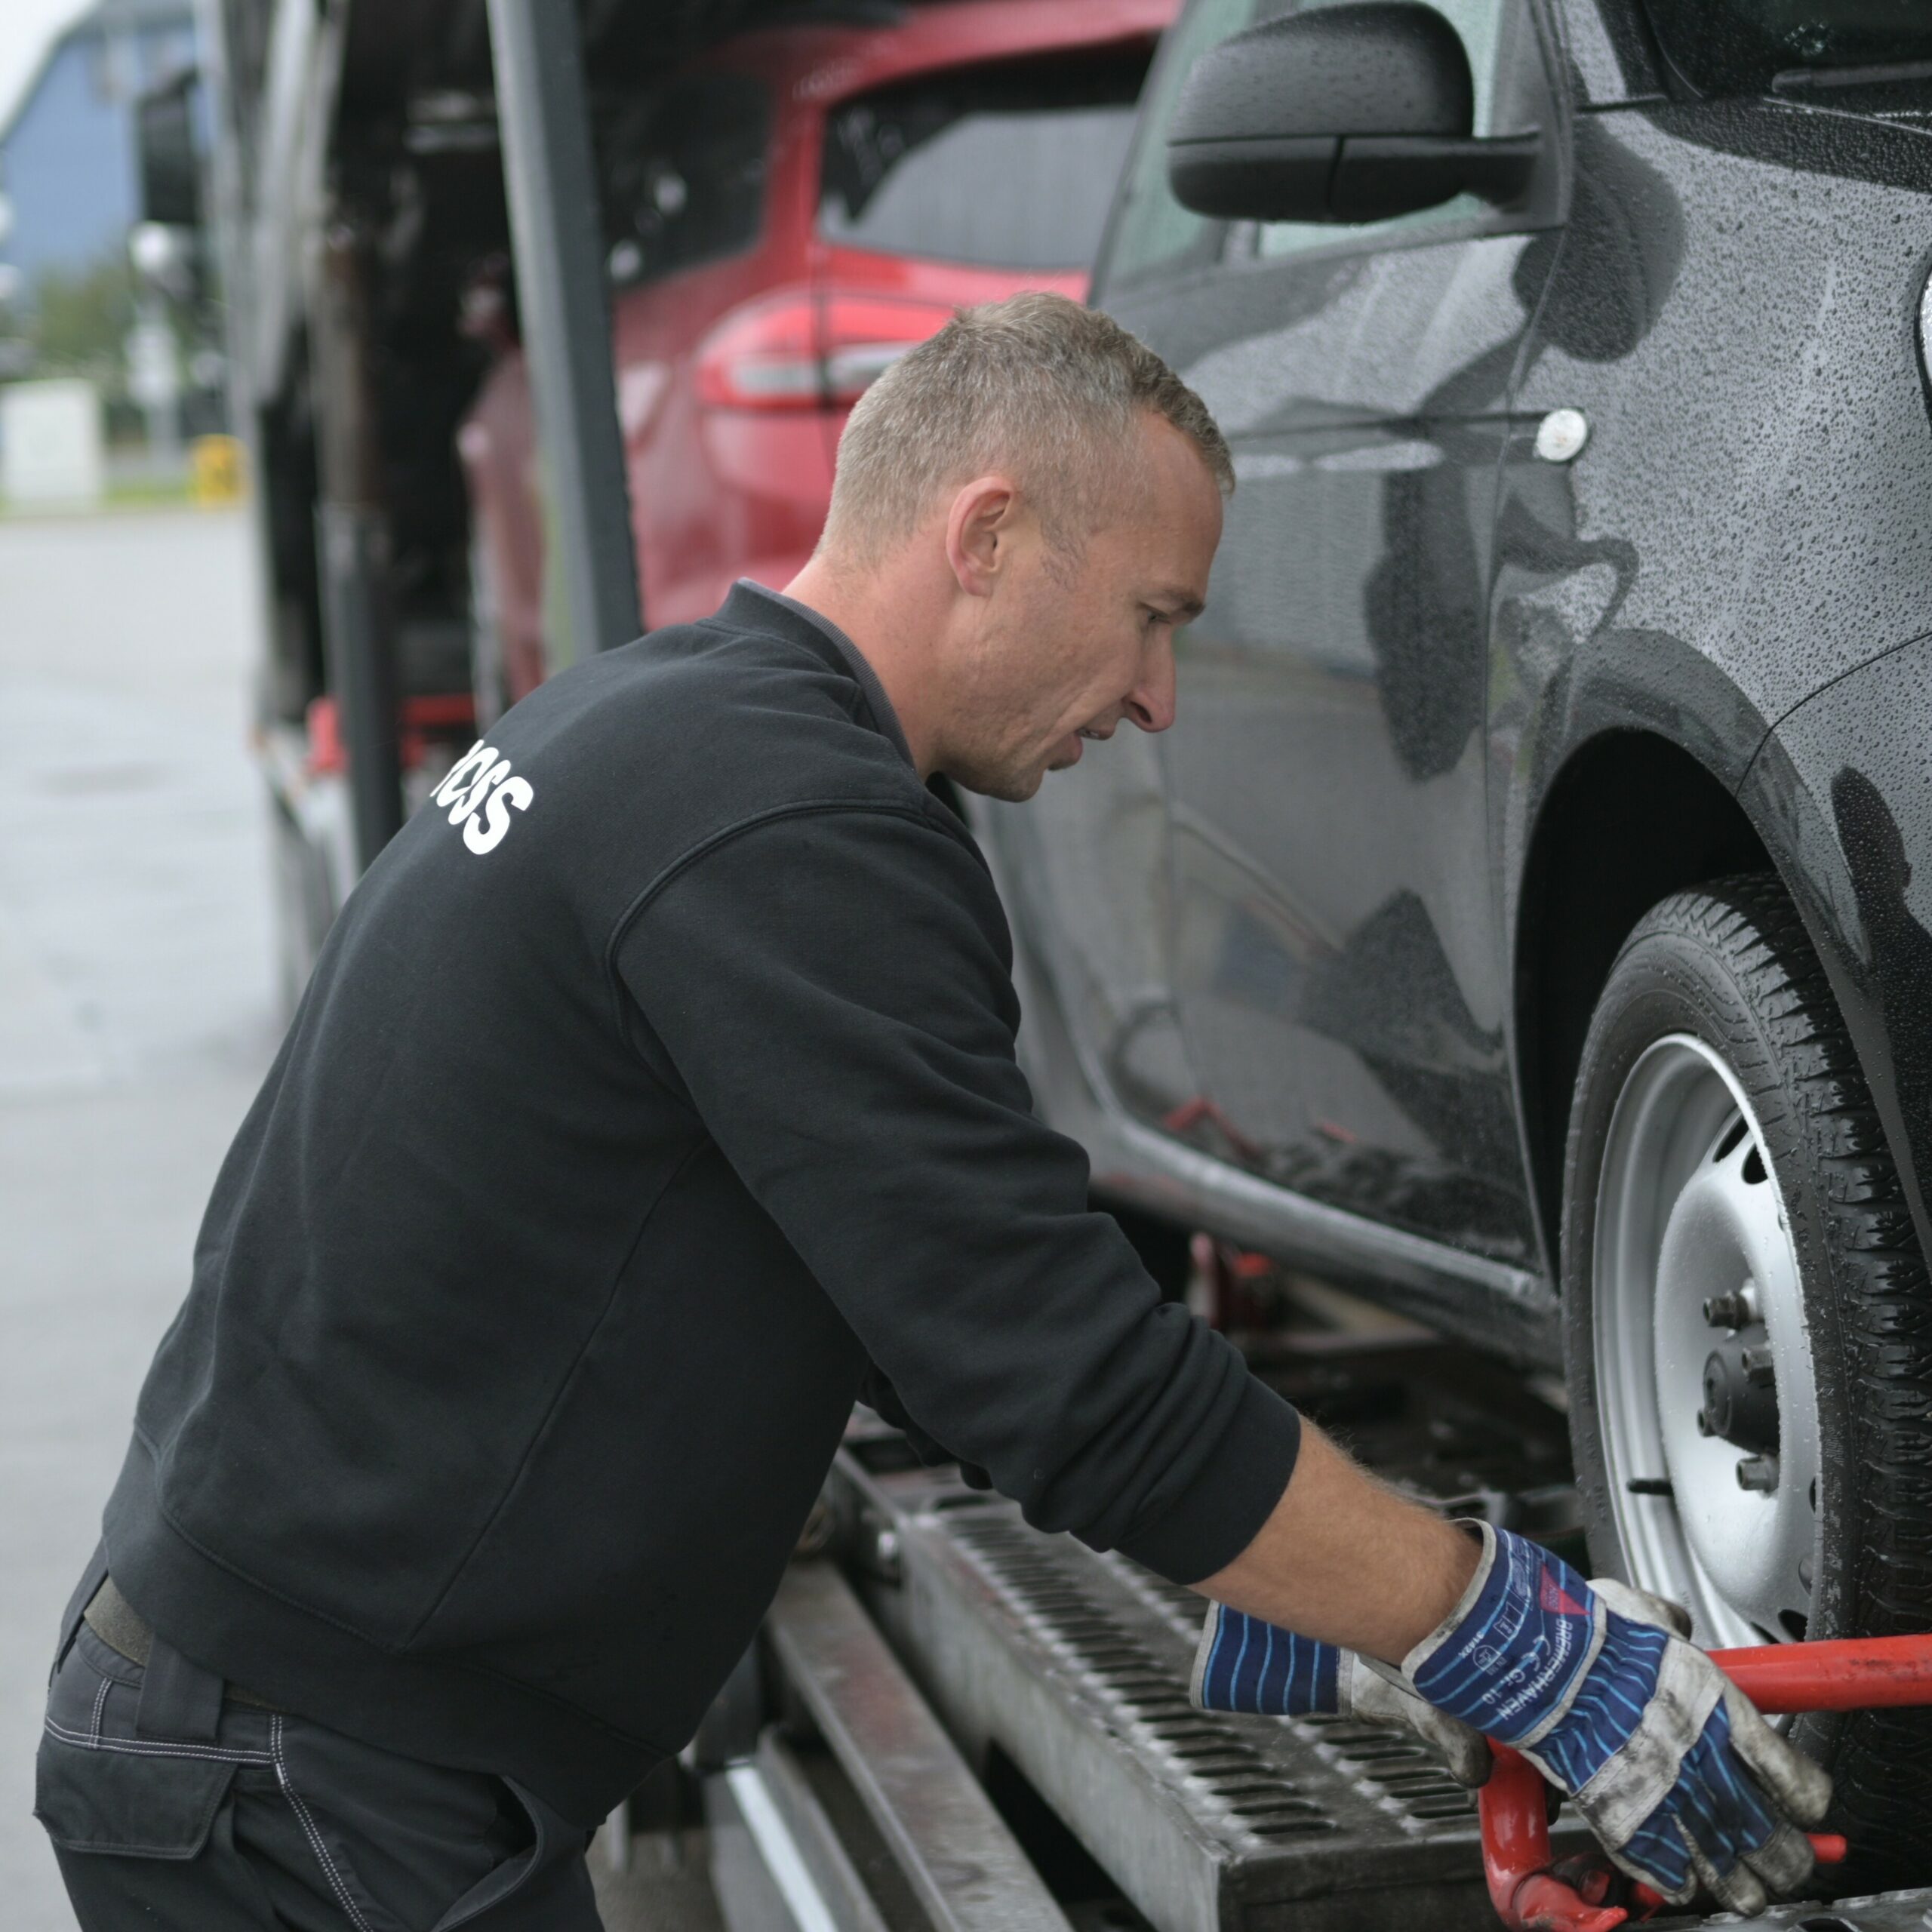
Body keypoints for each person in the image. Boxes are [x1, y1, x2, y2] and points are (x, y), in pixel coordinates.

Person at [37, 292, 1829, 1930]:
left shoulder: (667, 728)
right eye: (1149, 617)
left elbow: (928, 1311)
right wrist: (1490, 1626)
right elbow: (1059, 1369)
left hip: (272, 1724)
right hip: (312, 1772)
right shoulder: (792, 827)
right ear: (985, 535)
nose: (1155, 698)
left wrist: (1324, 1592)